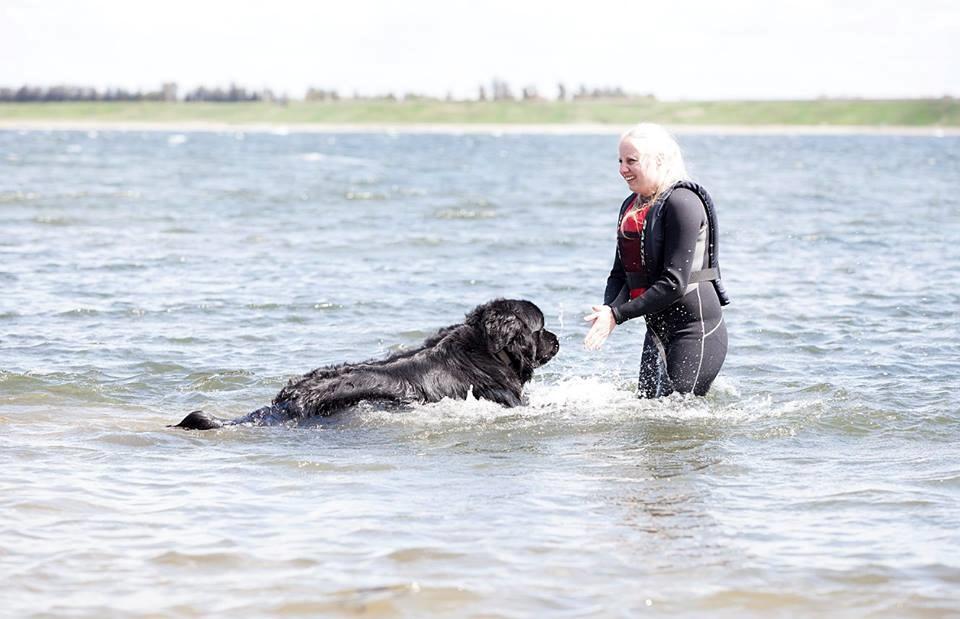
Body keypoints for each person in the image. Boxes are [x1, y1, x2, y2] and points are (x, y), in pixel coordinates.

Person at [583, 123, 729, 398]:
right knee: (647, 412)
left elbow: (674, 283)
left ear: (659, 160)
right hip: (657, 331)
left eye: (631, 161)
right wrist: (608, 310)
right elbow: (621, 274)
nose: (622, 169)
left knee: (678, 414)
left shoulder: (682, 202)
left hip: (695, 331)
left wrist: (618, 315)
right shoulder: (631, 206)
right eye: (620, 161)